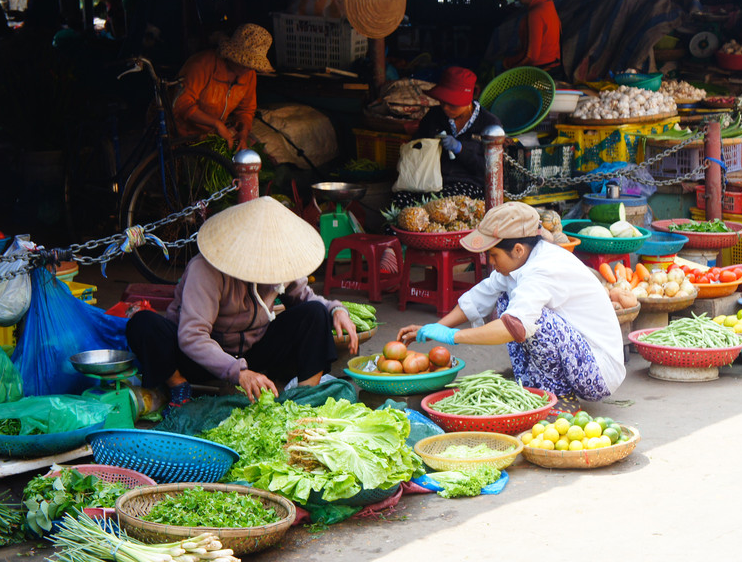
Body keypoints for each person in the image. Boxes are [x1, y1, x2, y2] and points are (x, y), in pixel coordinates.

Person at [125, 196, 359, 411]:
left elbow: (306, 298)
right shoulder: (205, 270)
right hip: (198, 358)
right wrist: (239, 373)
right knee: (143, 324)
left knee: (315, 313)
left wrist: (336, 309)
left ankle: (304, 397)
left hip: (252, 352)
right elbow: (192, 337)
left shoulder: (280, 263)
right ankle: (179, 386)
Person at [397, 202, 626, 403]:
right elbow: (479, 297)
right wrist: (435, 328)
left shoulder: (543, 270)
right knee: (507, 300)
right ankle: (535, 389)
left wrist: (452, 337)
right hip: (578, 357)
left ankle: (558, 398)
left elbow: (512, 327)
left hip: (598, 373)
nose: (491, 262)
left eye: (494, 255)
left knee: (528, 321)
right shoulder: (520, 263)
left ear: (517, 249)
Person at [394, 66, 501, 207]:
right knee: (400, 200)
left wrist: (461, 150)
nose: (445, 108)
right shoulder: (434, 116)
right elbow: (417, 147)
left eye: (452, 105)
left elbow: (491, 169)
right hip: (430, 182)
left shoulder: (489, 124)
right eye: (442, 102)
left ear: (468, 100)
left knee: (440, 204)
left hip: (469, 185)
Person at [172, 23, 273, 151]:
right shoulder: (202, 64)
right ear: (231, 54)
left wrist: (243, 131)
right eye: (244, 63)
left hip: (208, 136)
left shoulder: (249, 75)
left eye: (252, 65)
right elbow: (181, 104)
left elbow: (246, 110)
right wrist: (217, 124)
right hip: (179, 133)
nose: (248, 68)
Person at [503, 0, 562, 75]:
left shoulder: (535, 14)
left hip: (540, 72)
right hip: (554, 68)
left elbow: (531, 56)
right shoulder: (548, 6)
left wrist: (507, 65)